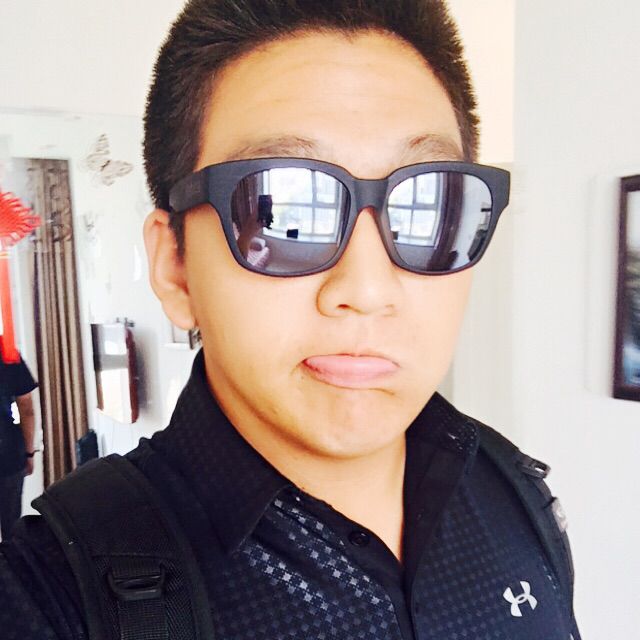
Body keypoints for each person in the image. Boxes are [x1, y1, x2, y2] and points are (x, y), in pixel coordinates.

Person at [0, 1, 581, 639]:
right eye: (281, 212)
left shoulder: (516, 492)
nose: (367, 290)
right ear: (176, 268)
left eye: (431, 201)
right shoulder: (48, 598)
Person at [0, 351, 37, 540]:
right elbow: (26, 408)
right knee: (11, 525)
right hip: (7, 451)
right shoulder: (7, 353)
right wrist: (29, 453)